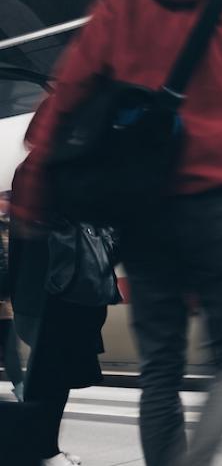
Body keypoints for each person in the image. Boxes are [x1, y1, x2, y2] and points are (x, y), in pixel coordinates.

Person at [11, 0, 222, 465]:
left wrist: (36, 189)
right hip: (221, 202)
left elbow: (67, 96)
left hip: (144, 207)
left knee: (161, 368)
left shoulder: (120, 7)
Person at [9, 163, 116, 466]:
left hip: (58, 284)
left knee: (53, 375)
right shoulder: (60, 167)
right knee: (51, 376)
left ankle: (43, 448)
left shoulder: (40, 166)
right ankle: (39, 450)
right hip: (59, 284)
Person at [0, 191, 24, 402]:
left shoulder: (14, 228)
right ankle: (20, 387)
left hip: (6, 302)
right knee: (9, 348)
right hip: (4, 298)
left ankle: (21, 387)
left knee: (10, 348)